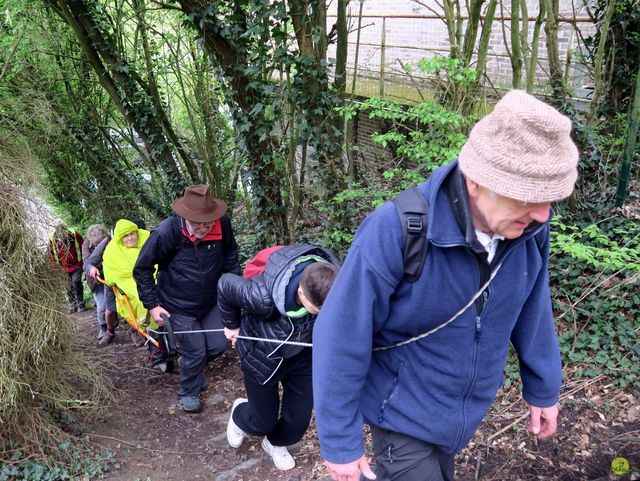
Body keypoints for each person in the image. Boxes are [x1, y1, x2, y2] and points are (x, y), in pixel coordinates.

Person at [312, 90, 579, 481]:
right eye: (528, 197)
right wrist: (339, 441)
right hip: (402, 414)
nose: (543, 213)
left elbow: (532, 305)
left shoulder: (529, 228)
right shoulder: (396, 230)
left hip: (461, 415)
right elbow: (341, 333)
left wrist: (543, 386)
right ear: (476, 183)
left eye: (550, 199)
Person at [217, 245, 340, 471]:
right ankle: (238, 414)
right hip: (262, 355)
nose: (322, 314)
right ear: (301, 293)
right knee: (263, 420)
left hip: (302, 355)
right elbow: (225, 285)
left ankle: (275, 442)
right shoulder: (262, 296)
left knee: (299, 419)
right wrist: (231, 325)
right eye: (316, 309)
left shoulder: (333, 281)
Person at [133, 184, 240, 413]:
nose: (203, 228)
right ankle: (188, 391)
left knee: (219, 344)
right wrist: (152, 306)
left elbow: (230, 256)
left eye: (207, 223)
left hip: (211, 300)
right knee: (196, 350)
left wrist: (234, 291)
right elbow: (142, 269)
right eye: (197, 224)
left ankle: (191, 367)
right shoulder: (166, 231)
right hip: (176, 304)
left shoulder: (223, 225)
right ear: (185, 217)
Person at [102, 219, 154, 347]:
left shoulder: (147, 238)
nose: (130, 238)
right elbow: (110, 274)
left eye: (132, 234)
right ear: (120, 238)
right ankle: (150, 328)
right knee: (140, 298)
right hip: (128, 281)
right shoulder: (112, 250)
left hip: (151, 274)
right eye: (125, 236)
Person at [48, 223, 86, 312]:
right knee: (68, 286)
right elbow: (50, 255)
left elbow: (83, 247)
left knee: (76, 282)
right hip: (62, 268)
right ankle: (73, 305)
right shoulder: (53, 240)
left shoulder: (75, 235)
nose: (62, 237)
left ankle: (80, 304)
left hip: (77, 264)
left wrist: (84, 262)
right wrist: (54, 269)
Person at [82, 224, 109, 339]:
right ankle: (103, 327)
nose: (98, 246)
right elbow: (87, 261)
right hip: (95, 279)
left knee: (114, 304)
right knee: (102, 305)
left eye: (100, 243)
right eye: (96, 243)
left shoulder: (110, 240)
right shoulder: (86, 244)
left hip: (111, 275)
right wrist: (93, 267)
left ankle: (116, 324)